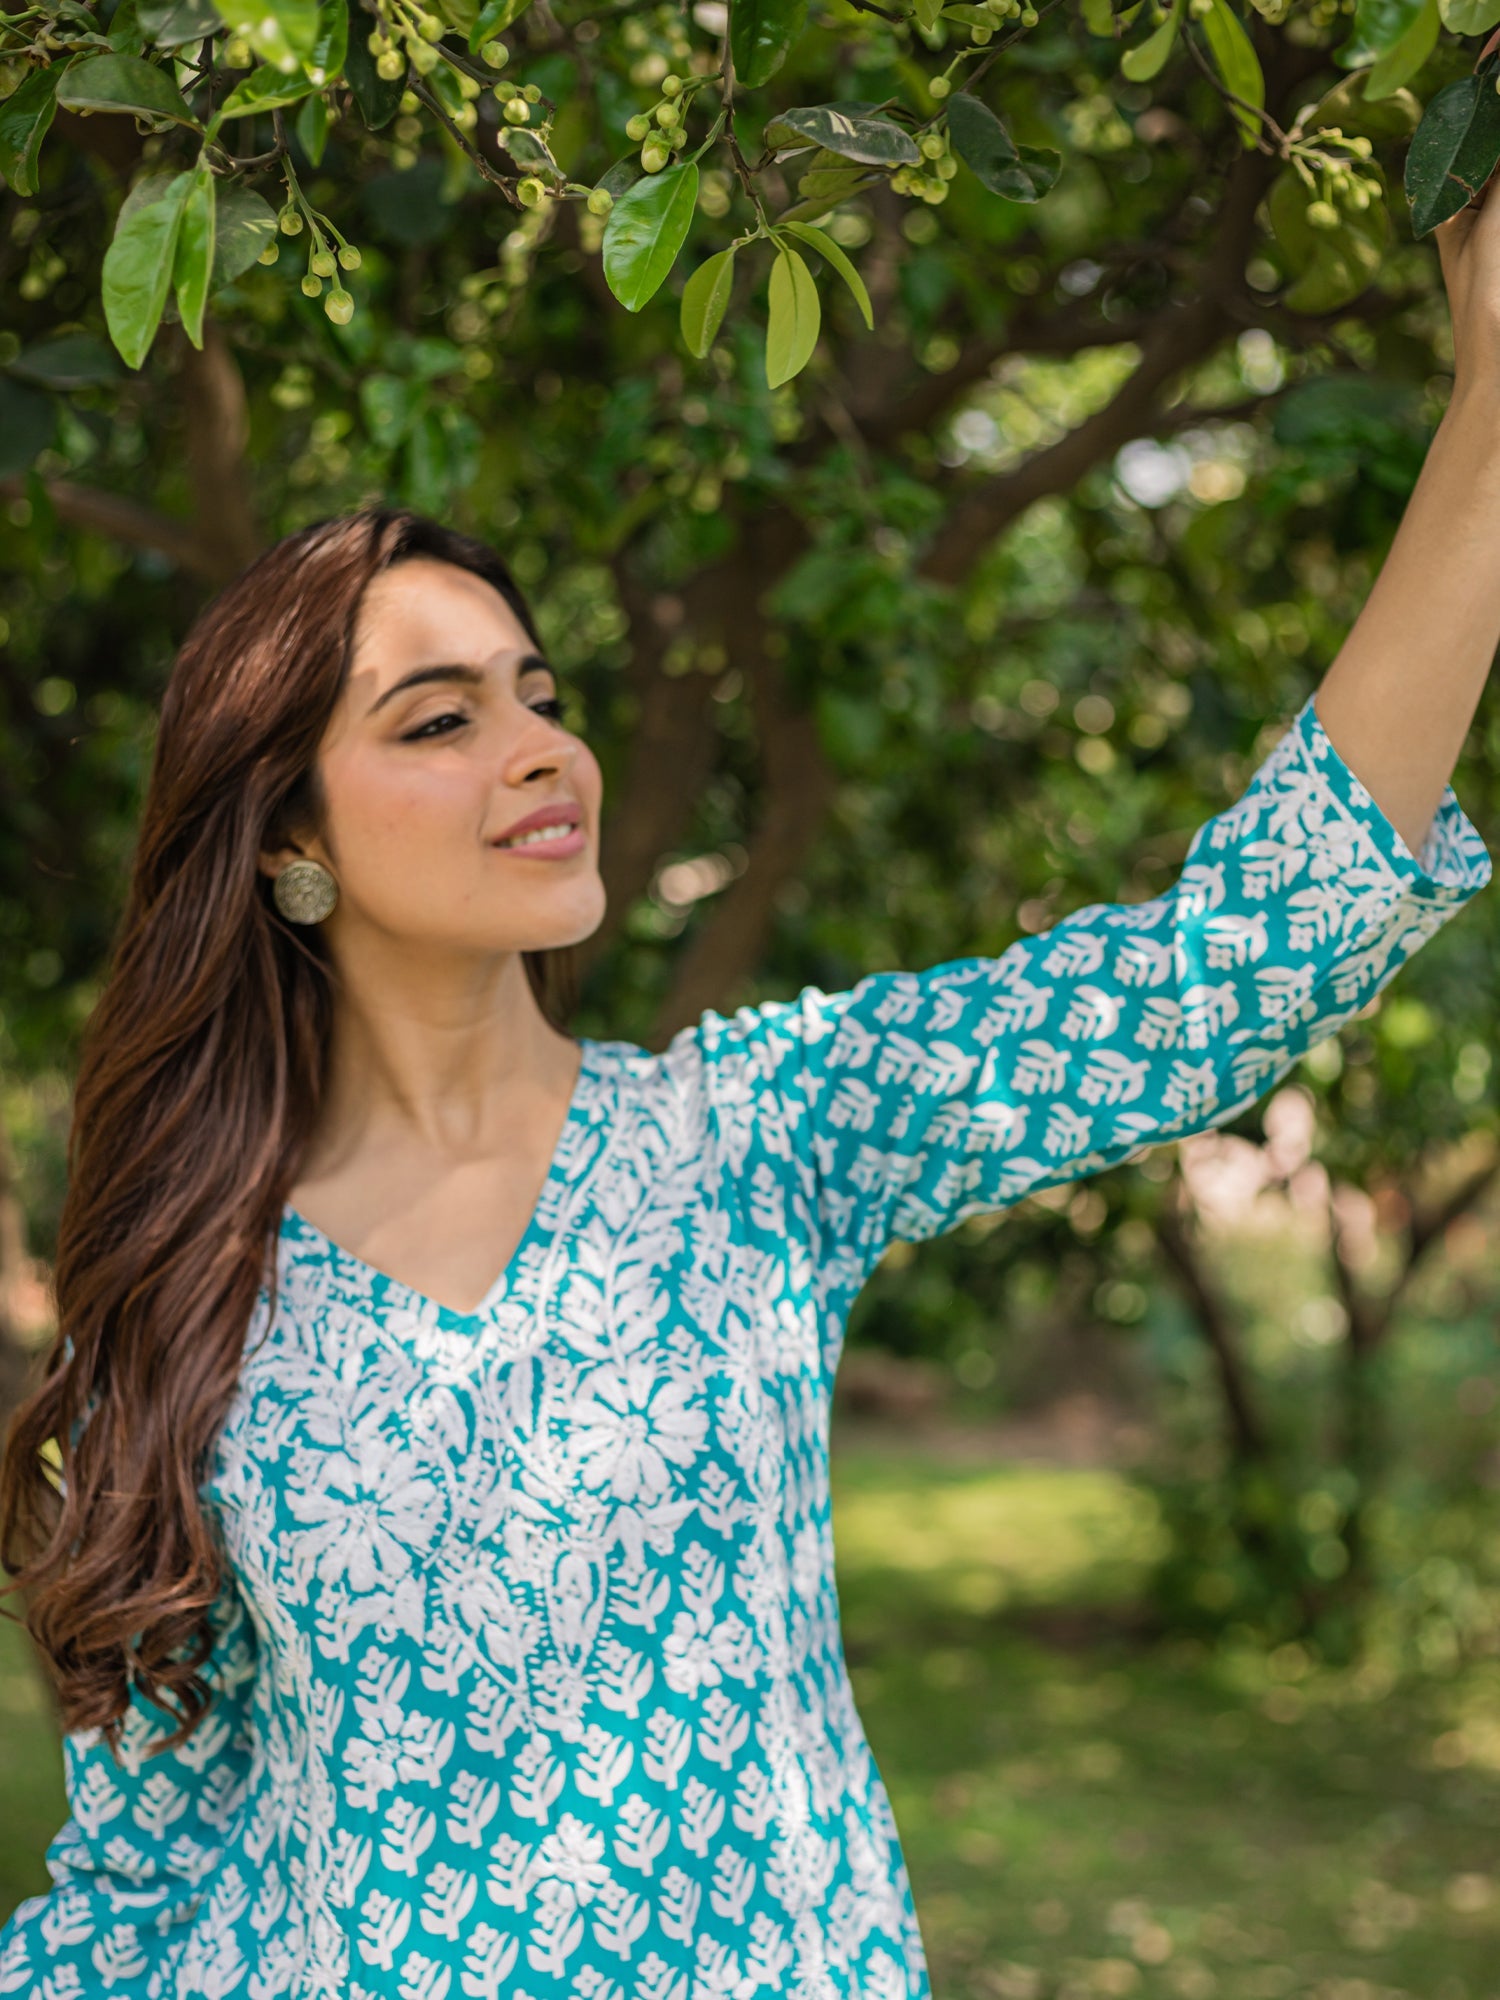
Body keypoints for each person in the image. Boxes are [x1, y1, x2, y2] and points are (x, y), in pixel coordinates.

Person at [1, 199, 1498, 2000]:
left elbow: (1223, 970)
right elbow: (142, 1886)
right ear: (287, 847)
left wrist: (1491, 395)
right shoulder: (189, 1304)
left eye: (537, 694)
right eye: (436, 720)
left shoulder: (755, 1137)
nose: (544, 747)